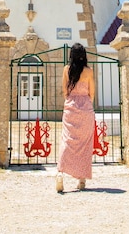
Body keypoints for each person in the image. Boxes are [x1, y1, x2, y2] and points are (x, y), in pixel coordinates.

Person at [56, 43, 95, 192]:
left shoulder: (67, 70)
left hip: (71, 105)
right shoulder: (89, 71)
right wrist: (86, 103)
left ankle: (60, 173)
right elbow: (92, 92)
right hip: (85, 107)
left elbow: (64, 90)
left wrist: (71, 100)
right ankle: (82, 179)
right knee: (85, 143)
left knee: (67, 140)